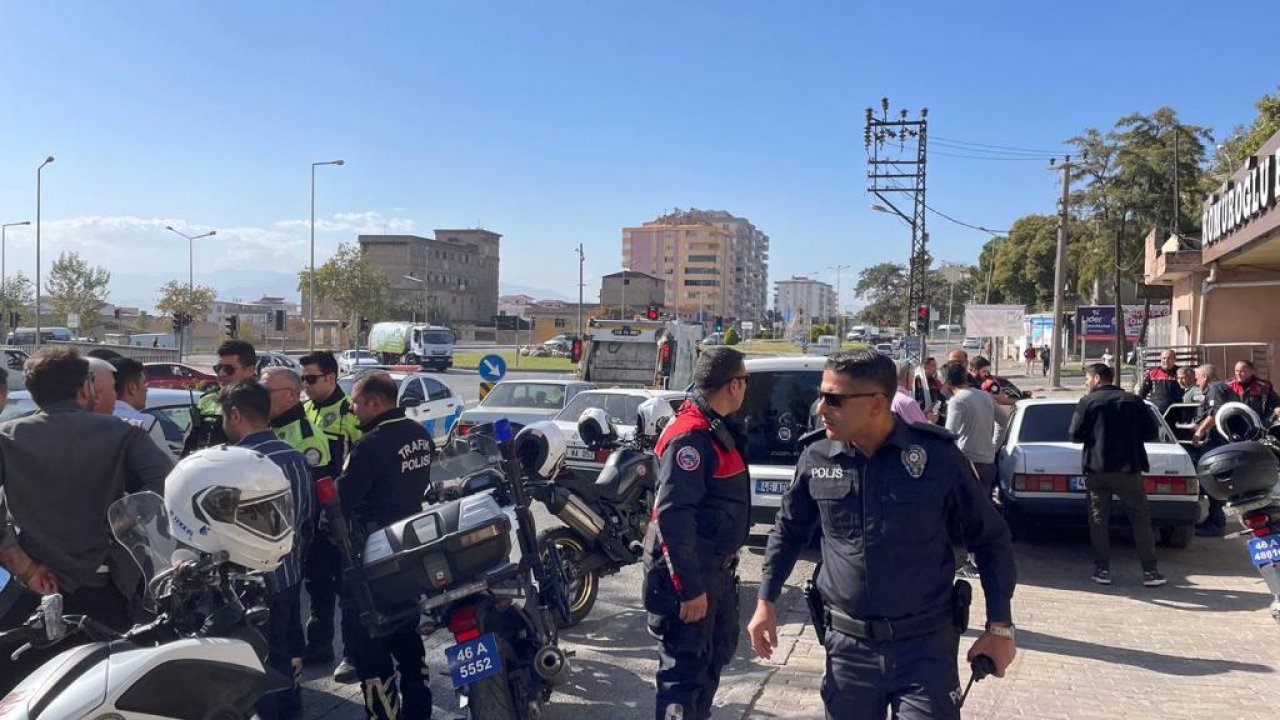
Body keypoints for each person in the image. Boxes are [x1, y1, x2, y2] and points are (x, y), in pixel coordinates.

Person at [747, 350, 1017, 720]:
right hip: (847, 648)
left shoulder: (936, 457)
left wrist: (999, 627)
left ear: (877, 403)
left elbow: (991, 539)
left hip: (925, 650)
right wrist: (766, 600)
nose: (820, 408)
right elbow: (789, 529)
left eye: (834, 399)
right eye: (821, 395)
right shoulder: (817, 456)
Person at [0, 348, 174, 693]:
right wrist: (122, 525)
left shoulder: (7, 437)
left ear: (35, 392)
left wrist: (22, 563)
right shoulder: (126, 433)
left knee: (22, 695)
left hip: (31, 592)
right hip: (107, 591)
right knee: (104, 694)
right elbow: (166, 485)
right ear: (85, 388)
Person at [641, 346, 750, 720]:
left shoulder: (709, 427)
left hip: (713, 572)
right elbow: (672, 515)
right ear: (734, 384)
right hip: (691, 578)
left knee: (707, 666)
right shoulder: (692, 437)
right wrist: (689, 588)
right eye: (746, 380)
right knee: (683, 679)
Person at [340, 371, 434, 719]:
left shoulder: (371, 443)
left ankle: (382, 714)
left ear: (374, 402)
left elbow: (344, 500)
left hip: (373, 552)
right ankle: (419, 711)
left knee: (370, 642)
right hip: (410, 546)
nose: (353, 409)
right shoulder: (420, 435)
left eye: (355, 402)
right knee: (407, 634)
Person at [220, 380, 314, 720]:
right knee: (284, 652)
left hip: (249, 582)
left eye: (224, 416)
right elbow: (305, 518)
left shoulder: (231, 464)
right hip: (288, 575)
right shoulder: (295, 458)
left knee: (255, 663)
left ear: (235, 414)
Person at [1069, 363, 1165, 587]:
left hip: (1097, 469)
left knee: (1098, 521)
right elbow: (1151, 432)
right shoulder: (1134, 401)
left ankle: (1102, 570)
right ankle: (1150, 572)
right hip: (1129, 468)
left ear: (1096, 378)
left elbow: (1074, 434)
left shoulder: (1088, 402)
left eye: (1087, 378)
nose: (1086, 382)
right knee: (1141, 520)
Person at [298, 351, 363, 676]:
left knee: (350, 589)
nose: (305, 385)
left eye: (310, 378)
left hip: (345, 516)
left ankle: (352, 654)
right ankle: (319, 645)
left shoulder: (350, 413)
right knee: (317, 584)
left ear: (330, 378)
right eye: (302, 379)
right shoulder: (305, 409)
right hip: (314, 517)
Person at [943, 360, 999, 580]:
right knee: (981, 511)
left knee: (965, 513)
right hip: (987, 460)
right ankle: (979, 558)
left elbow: (949, 435)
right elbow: (1002, 421)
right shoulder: (984, 395)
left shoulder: (957, 401)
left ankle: (971, 561)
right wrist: (993, 445)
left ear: (947, 382)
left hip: (969, 463)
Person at [184, 339, 258, 456]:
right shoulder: (206, 400)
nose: (222, 374)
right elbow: (189, 444)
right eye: (218, 368)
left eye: (229, 369)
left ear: (250, 370)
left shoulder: (263, 402)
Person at [260, 367, 332, 476]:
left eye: (265, 391)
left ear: (291, 395)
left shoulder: (308, 438)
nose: (259, 397)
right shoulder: (266, 425)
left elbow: (310, 487)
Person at [1192, 364, 1234, 537]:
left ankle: (1217, 523)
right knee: (1211, 482)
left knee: (1212, 480)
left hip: (1217, 444)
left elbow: (1216, 413)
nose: (1196, 382)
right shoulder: (1219, 388)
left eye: (1197, 378)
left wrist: (1199, 432)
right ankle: (1214, 519)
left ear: (1205, 377)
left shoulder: (1216, 389)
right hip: (1218, 442)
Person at [111, 357, 178, 461]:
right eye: (143, 383)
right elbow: (169, 465)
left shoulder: (95, 419)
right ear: (132, 387)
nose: (146, 389)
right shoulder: (145, 423)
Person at [892, 359, 929, 424]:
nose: (913, 379)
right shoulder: (908, 403)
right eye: (913, 375)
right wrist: (930, 420)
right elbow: (924, 430)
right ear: (907, 375)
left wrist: (921, 414)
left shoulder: (890, 396)